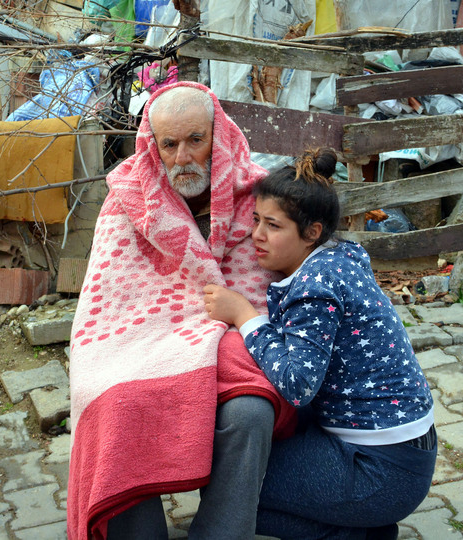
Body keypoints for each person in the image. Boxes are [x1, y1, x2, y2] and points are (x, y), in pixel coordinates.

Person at [66, 82, 295, 540]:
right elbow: (105, 304)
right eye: (169, 144)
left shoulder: (261, 196)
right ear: (154, 144)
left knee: (250, 412)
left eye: (196, 139)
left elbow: (277, 293)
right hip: (139, 342)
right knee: (118, 400)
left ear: (220, 135)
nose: (184, 156)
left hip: (236, 338)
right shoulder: (127, 198)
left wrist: (232, 322)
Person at [203, 148, 436, 540]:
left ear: (311, 232)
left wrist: (244, 316)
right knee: (240, 475)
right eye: (256, 220)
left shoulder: (315, 287)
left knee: (230, 486)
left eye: (273, 226)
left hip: (380, 468)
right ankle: (362, 519)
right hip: (402, 453)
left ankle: (358, 532)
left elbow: (298, 385)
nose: (256, 235)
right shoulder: (340, 257)